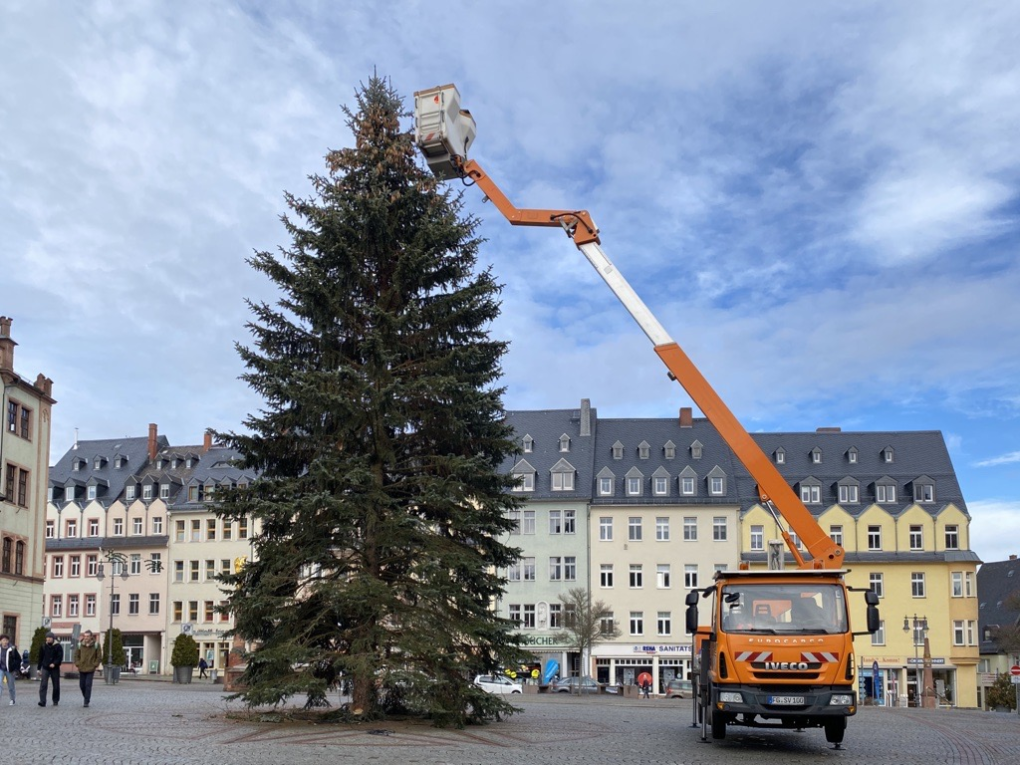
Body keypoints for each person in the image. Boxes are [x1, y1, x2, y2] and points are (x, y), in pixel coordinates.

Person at [74, 630, 102, 708]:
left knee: (88, 685)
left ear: (91, 637)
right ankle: (86, 696)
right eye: (85, 636)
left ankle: (86, 701)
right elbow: (76, 655)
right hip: (81, 667)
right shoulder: (80, 645)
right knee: (82, 685)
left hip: (90, 668)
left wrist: (95, 665)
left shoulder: (96, 645)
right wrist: (77, 664)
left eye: (87, 636)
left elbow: (99, 656)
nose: (86, 638)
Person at [38, 632, 63, 707]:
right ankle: (42, 701)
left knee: (56, 685)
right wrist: (38, 668)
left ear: (53, 638)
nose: (48, 639)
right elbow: (40, 658)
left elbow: (60, 657)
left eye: (50, 638)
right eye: (47, 637)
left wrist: (54, 663)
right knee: (43, 685)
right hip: (45, 667)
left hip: (54, 668)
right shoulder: (43, 646)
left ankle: (55, 700)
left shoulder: (58, 646)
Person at [0, 634, 21, 705]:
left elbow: (18, 659)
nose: (5, 642)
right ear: (1, 641)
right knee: (0, 684)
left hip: (10, 670)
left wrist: (16, 669)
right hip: (1, 669)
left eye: (6, 640)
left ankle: (12, 699)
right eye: (3, 640)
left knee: (11, 685)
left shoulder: (12, 649)